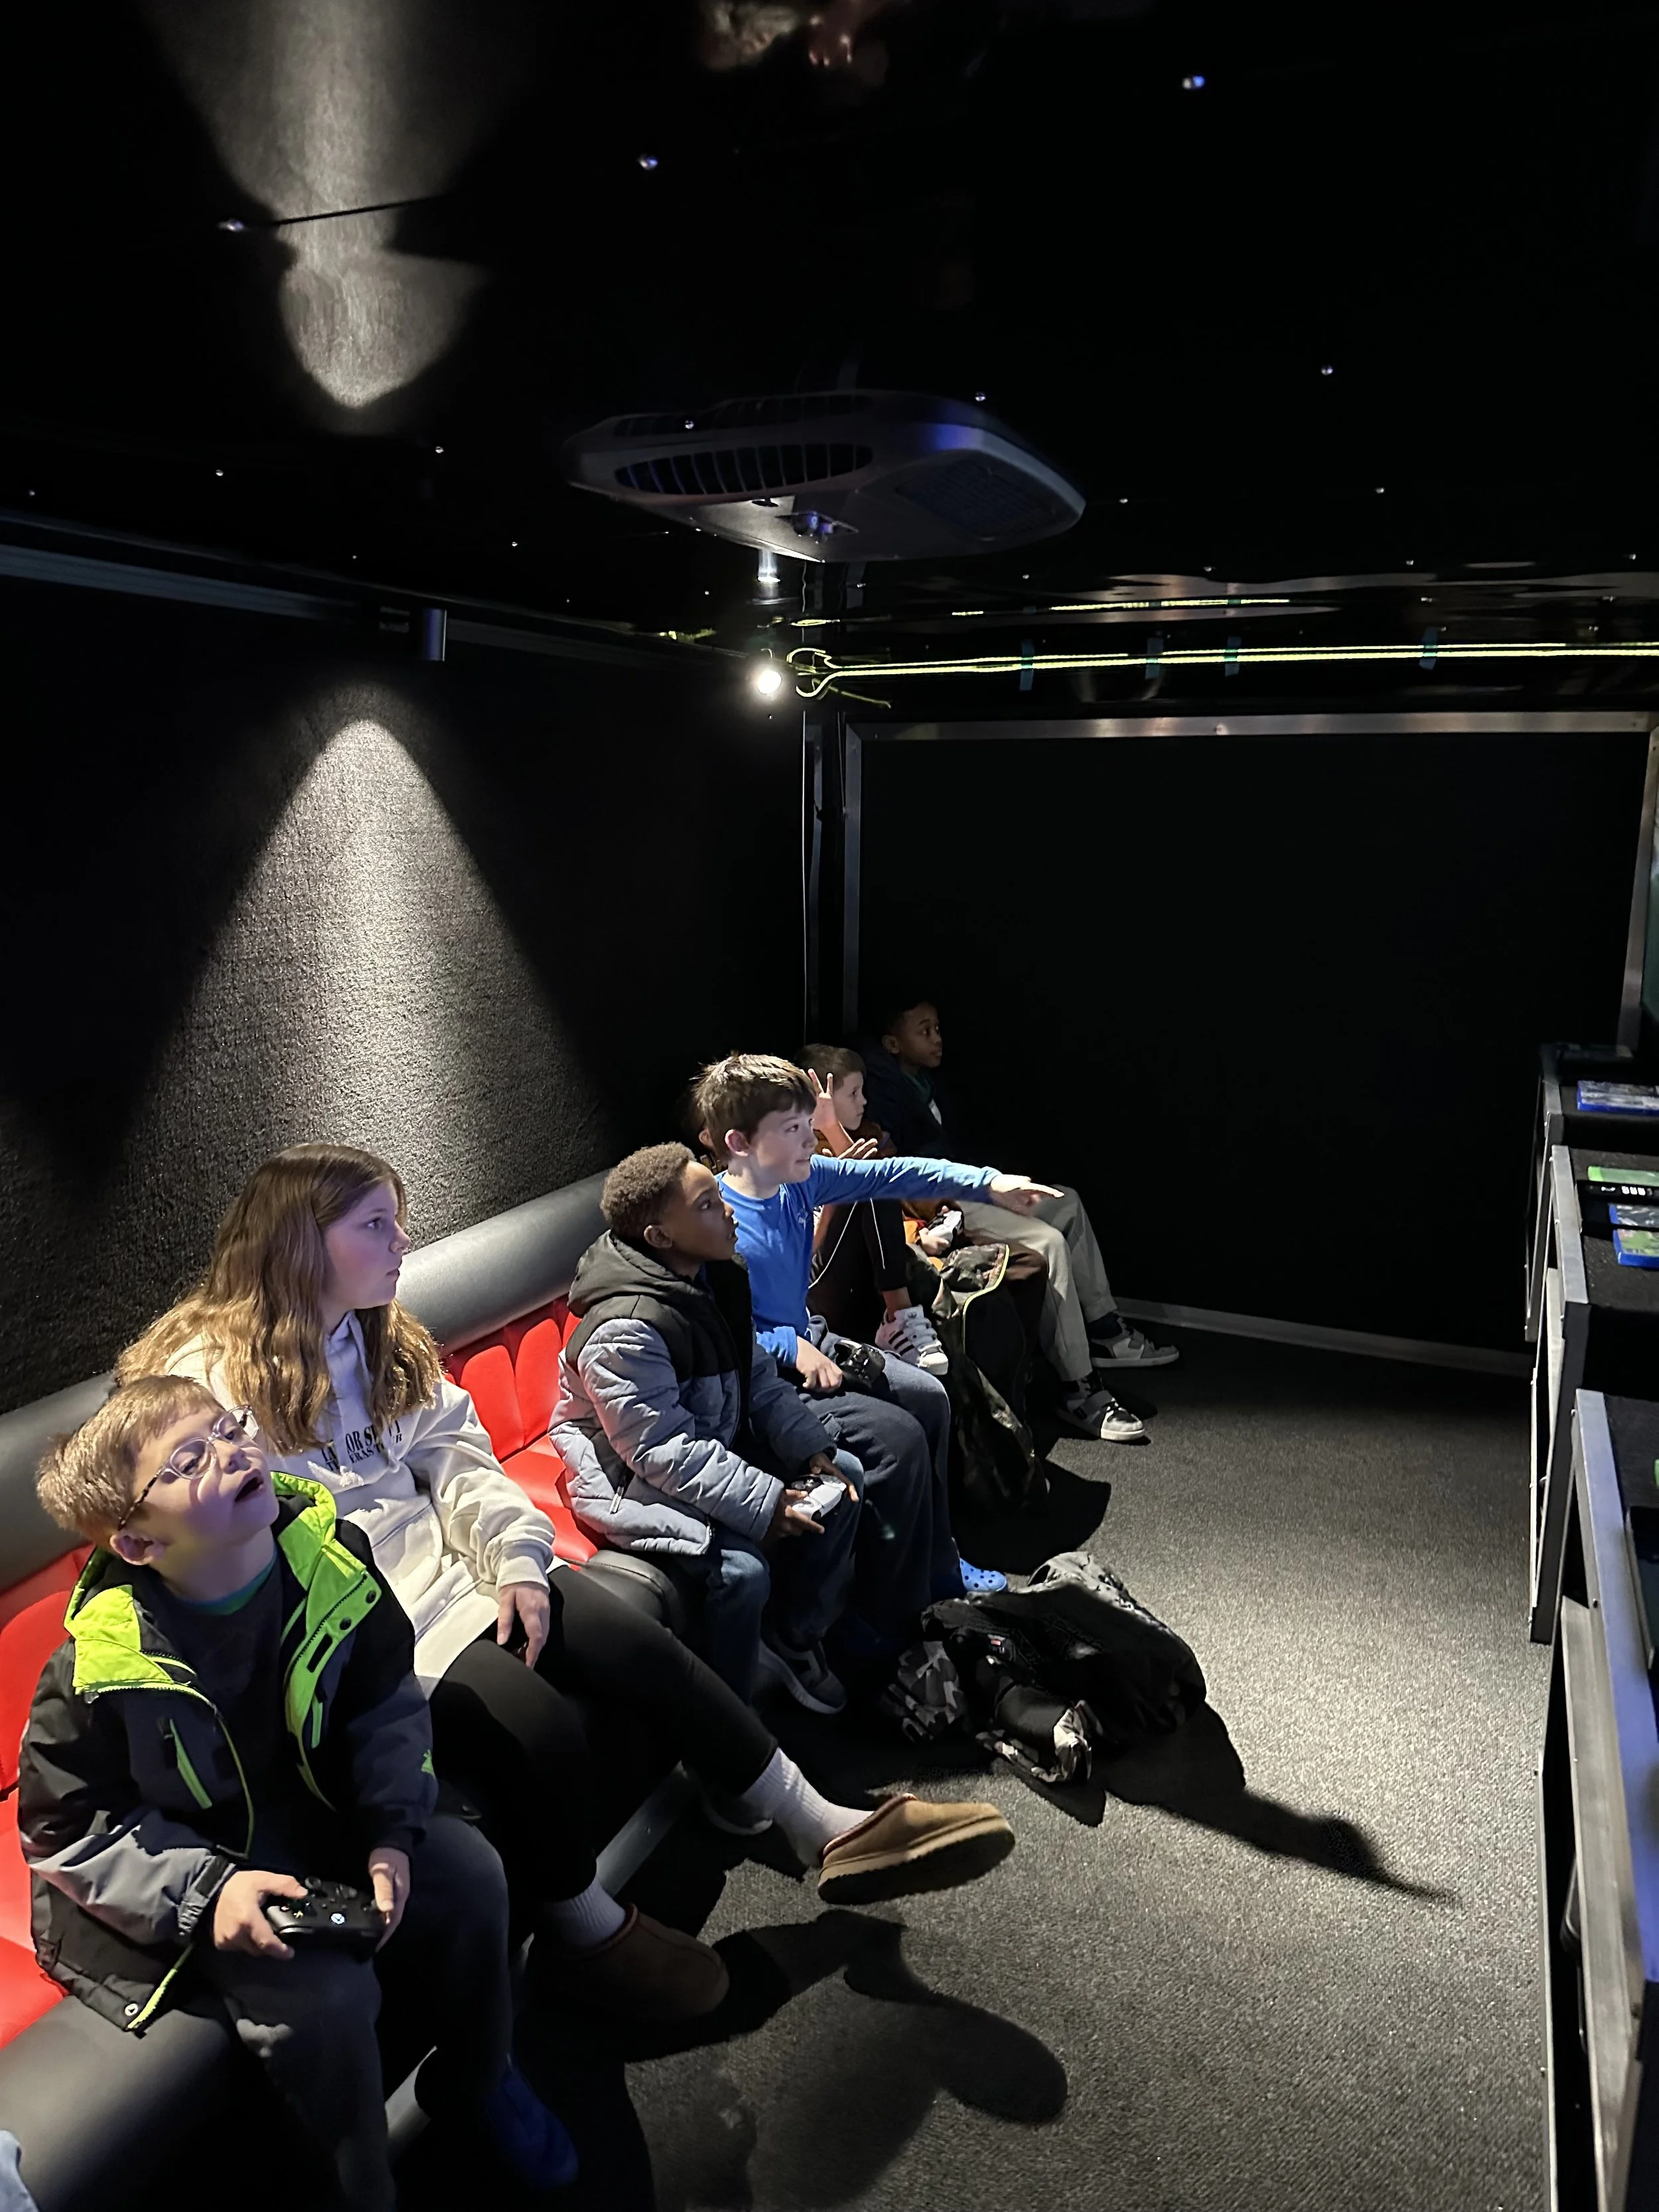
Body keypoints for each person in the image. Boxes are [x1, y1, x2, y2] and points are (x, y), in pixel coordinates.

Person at [118, 1144, 1015, 1994]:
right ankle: (587, 1933)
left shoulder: (378, 1338)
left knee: (643, 1648)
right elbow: (234, 1556)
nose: (401, 1246)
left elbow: (462, 1460)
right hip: (359, 1628)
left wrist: (512, 1558)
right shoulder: (207, 1387)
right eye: (376, 1228)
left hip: (456, 1573)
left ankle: (827, 1827)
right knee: (538, 1725)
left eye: (399, 1223)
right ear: (301, 1243)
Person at [22, 1374, 577, 2212]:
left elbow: (384, 1700)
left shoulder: (330, 1557)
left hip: (315, 1813)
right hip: (191, 1869)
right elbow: (65, 1833)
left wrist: (392, 1828)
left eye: (228, 1428)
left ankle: (479, 2077)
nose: (234, 1450)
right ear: (137, 1543)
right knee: (326, 1997)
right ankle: (361, 2189)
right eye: (187, 1459)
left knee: (468, 1872)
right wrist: (209, 1895)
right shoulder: (96, 1668)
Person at [695, 1052, 1058, 1627]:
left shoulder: (799, 1180)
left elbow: (894, 1174)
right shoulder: (718, 1225)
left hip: (809, 1342)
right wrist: (793, 1348)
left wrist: (989, 1185)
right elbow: (727, 1338)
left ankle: (940, 1565)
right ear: (739, 1142)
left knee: (931, 1399)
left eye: (807, 1124)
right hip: (766, 1376)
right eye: (793, 1130)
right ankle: (891, 1612)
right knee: (900, 1440)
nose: (809, 1139)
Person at [551, 1143, 867, 1712]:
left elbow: (760, 1381)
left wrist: (811, 1448)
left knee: (843, 1478)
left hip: (706, 1440)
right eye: (706, 1203)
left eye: (719, 1194)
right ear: (660, 1237)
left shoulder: (716, 1276)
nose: (727, 1210)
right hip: (624, 1475)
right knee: (741, 1572)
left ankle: (791, 1640)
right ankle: (727, 1720)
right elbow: (660, 1450)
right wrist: (768, 1501)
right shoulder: (626, 1329)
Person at [859, 992, 1177, 1442]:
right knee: (1048, 1242)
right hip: (941, 1201)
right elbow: (904, 1172)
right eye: (924, 1030)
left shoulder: (926, 1084)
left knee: (1066, 1201)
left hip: (964, 1183)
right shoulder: (883, 1093)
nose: (937, 1038)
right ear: (893, 1042)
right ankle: (1078, 1388)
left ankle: (1104, 1328)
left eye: (938, 1027)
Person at [800, 1044, 950, 1377]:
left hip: (851, 1276)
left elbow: (860, 1173)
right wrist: (837, 1196)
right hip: (808, 1287)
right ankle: (900, 1315)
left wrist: (829, 1127)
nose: (864, 1101)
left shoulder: (821, 1145)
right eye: (854, 1093)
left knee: (870, 1177)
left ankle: (900, 1320)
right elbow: (802, 1252)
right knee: (864, 1180)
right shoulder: (781, 1164)